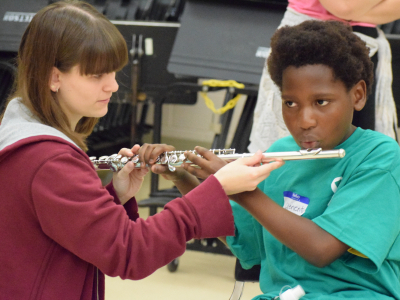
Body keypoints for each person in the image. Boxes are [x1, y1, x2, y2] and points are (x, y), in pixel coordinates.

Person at [0, 1, 285, 299]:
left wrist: (114, 197)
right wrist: (215, 188)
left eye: (112, 72)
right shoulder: (50, 160)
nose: (112, 85)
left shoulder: (20, 128)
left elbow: (60, 227)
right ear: (54, 77)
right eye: (96, 76)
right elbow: (129, 253)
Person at [178, 20, 400, 299]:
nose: (304, 121)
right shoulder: (279, 154)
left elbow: (322, 249)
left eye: (321, 102)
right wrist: (185, 178)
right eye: (290, 103)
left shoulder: (380, 157)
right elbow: (245, 243)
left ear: (357, 95)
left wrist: (242, 190)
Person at [249, 0, 400, 153]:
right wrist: (353, 12)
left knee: (361, 156)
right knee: (292, 155)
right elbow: (344, 7)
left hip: (365, 45)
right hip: (304, 46)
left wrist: (355, 12)